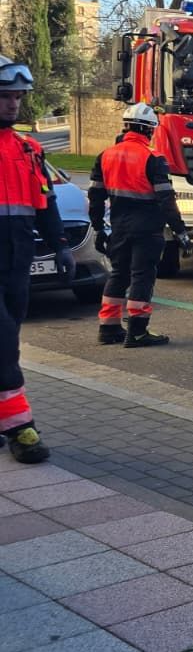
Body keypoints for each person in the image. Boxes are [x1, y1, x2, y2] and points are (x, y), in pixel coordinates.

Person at [0, 56, 72, 463]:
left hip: (16, 263)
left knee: (9, 343)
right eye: (5, 97)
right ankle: (19, 428)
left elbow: (45, 202)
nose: (13, 105)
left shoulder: (29, 148)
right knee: (4, 344)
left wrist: (60, 244)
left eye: (17, 97)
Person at [89, 103, 191, 347]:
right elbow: (166, 200)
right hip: (147, 230)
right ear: (150, 130)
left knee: (118, 275)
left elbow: (95, 198)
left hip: (118, 228)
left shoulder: (105, 155)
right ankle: (137, 332)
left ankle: (109, 328)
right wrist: (180, 230)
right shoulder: (153, 158)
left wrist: (99, 228)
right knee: (142, 278)